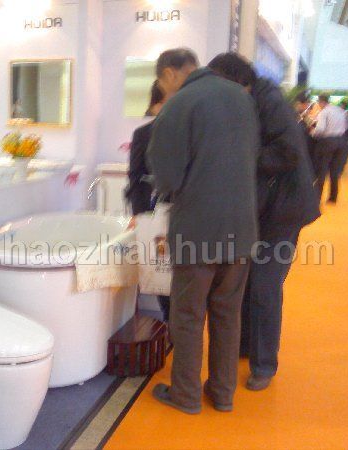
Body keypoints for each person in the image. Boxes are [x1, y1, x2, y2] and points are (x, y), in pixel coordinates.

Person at [147, 48, 259, 413]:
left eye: (161, 81)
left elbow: (166, 178)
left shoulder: (178, 105)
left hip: (197, 230)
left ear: (170, 74)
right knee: (228, 314)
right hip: (241, 228)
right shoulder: (241, 99)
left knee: (188, 316)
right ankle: (223, 393)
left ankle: (186, 394)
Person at [208, 53, 321, 391]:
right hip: (264, 209)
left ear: (234, 80)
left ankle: (264, 364)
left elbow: (288, 152)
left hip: (283, 211)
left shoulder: (268, 101)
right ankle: (246, 347)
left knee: (264, 286)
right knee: (245, 281)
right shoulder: (253, 99)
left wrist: (240, 157)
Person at [126, 80, 171, 321]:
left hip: (186, 215)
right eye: (163, 102)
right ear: (154, 105)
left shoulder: (192, 134)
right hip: (153, 215)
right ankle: (168, 323)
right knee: (160, 274)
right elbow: (135, 178)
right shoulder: (143, 134)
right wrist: (140, 215)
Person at [312, 94, 348, 203]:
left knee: (322, 170)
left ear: (321, 101)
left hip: (327, 141)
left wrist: (313, 133)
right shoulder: (340, 111)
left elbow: (320, 129)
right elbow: (345, 127)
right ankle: (333, 197)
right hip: (341, 141)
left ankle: (317, 198)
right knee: (335, 170)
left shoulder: (324, 112)